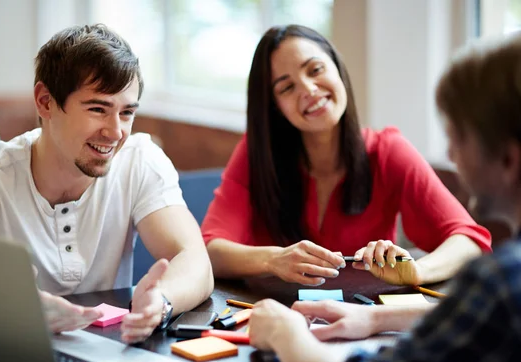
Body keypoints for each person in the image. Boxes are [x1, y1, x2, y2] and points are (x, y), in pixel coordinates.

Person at [248, 33, 521, 362]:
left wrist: (285, 333)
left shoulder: (500, 282)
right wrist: (378, 317)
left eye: (457, 138)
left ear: (508, 159)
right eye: (286, 87)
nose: (451, 155)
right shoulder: (501, 291)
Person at [0, 24, 214, 343]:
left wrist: (162, 301)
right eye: (98, 109)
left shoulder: (140, 159)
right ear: (45, 102)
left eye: (126, 112)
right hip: (3, 353)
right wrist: (12, 311)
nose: (115, 132)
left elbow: (195, 261)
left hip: (106, 352)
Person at [201, 25, 491, 287]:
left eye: (315, 70)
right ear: (274, 106)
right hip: (273, 316)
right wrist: (274, 259)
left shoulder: (388, 151)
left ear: (337, 69)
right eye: (287, 87)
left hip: (364, 321)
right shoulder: (257, 153)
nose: (309, 90)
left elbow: (470, 242)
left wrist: (416, 271)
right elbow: (210, 250)